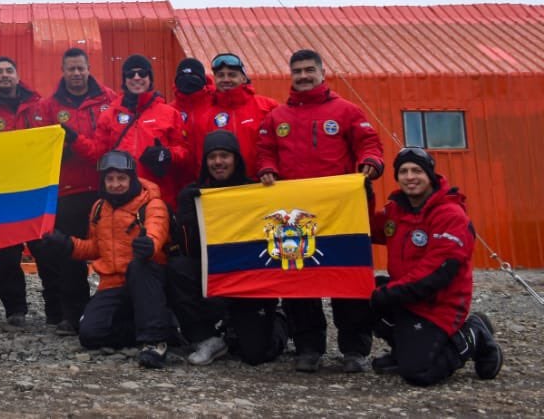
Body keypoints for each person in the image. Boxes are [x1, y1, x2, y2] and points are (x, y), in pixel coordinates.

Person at [256, 48, 384, 373]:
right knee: (300, 280)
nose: (303, 76)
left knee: (347, 278)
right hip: (296, 215)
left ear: (322, 73)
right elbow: (265, 150)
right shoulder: (277, 117)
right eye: (297, 71)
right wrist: (268, 168)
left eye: (309, 70)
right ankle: (308, 347)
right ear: (291, 75)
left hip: (340, 213)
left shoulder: (346, 111)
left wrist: (370, 162)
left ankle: (354, 349)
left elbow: (369, 143)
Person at [369, 147, 502, 384]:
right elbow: (363, 229)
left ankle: (474, 332)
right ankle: (404, 349)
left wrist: (388, 293)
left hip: (439, 304)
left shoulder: (449, 214)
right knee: (357, 297)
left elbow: (437, 271)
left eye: (417, 171)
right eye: (404, 171)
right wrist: (363, 194)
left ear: (430, 175)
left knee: (420, 373)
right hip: (409, 297)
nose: (410, 177)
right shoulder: (396, 211)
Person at [167, 130, 289, 367]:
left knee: (255, 355)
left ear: (236, 159)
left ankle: (280, 321)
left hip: (247, 280)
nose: (218, 162)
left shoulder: (255, 190)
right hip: (211, 275)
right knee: (176, 268)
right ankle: (205, 337)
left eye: (224, 156)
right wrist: (187, 215)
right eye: (212, 157)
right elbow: (188, 249)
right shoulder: (194, 193)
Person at [42, 150, 173, 367]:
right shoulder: (99, 208)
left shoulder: (151, 204)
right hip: (111, 283)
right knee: (89, 336)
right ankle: (157, 326)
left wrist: (149, 244)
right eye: (110, 179)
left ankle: (155, 341)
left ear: (131, 179)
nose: (115, 184)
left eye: (121, 178)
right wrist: (66, 244)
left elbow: (157, 230)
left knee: (140, 267)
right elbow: (95, 248)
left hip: (145, 280)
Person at [36, 47, 119, 334]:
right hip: (69, 190)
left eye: (80, 68)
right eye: (70, 69)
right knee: (71, 256)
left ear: (88, 68)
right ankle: (73, 315)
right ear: (63, 70)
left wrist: (77, 142)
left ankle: (117, 311)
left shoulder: (109, 100)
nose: (76, 73)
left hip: (104, 189)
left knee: (112, 250)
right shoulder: (49, 106)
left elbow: (110, 142)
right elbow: (41, 147)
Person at [0, 56, 51, 327]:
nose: (4, 75)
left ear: (18, 76)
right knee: (6, 257)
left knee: (46, 252)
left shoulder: (41, 108)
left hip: (36, 192)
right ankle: (15, 309)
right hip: (1, 195)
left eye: (9, 71)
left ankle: (55, 308)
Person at [74, 54, 191, 207]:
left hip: (158, 198)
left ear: (150, 78)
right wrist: (75, 140)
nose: (136, 78)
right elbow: (98, 153)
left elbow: (184, 153)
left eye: (142, 73)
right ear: (124, 80)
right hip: (120, 198)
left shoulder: (169, 114)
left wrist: (167, 154)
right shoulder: (109, 115)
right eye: (130, 74)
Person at [180, 52, 277, 176]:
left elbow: (276, 146)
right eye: (221, 75)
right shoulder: (205, 114)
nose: (226, 79)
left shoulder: (267, 107)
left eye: (232, 75)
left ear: (243, 78)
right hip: (223, 189)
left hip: (260, 184)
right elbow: (201, 158)